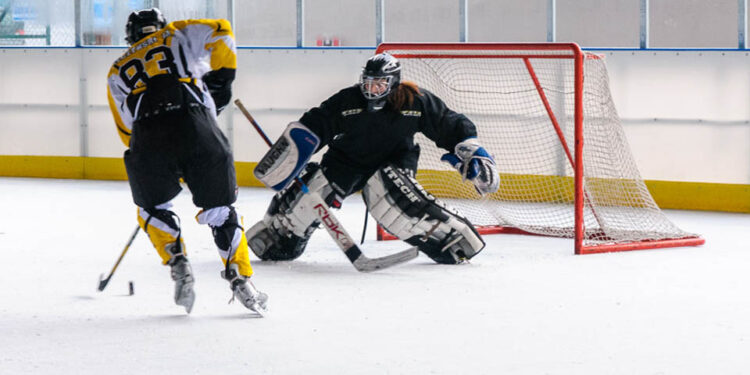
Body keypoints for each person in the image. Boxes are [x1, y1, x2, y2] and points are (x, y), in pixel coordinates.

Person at [246, 53, 499, 265]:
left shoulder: (414, 101)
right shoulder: (347, 100)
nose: (372, 89)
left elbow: (448, 123)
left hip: (393, 163)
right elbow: (317, 123)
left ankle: (451, 238)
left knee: (398, 204)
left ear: (393, 83)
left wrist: (470, 148)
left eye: (379, 84)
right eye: (368, 83)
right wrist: (293, 153)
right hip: (345, 162)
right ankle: (278, 236)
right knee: (314, 191)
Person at [106, 8, 267, 314]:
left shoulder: (116, 69)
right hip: (196, 125)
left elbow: (126, 130)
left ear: (130, 36)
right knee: (220, 210)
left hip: (147, 134)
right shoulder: (177, 32)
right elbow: (221, 30)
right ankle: (241, 279)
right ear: (160, 26)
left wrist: (164, 155)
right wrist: (220, 80)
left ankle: (178, 262)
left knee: (152, 209)